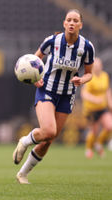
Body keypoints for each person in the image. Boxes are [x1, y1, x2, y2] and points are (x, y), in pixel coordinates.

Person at [12, 9, 95, 184]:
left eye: (75, 21)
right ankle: (25, 140)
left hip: (67, 95)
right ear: (64, 23)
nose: (72, 23)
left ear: (80, 24)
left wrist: (82, 79)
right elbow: (33, 61)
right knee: (49, 130)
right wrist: (35, 80)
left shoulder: (86, 47)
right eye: (69, 20)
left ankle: (23, 174)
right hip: (47, 90)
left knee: (49, 139)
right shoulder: (52, 41)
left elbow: (89, 73)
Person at [81, 57, 112, 159]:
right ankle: (89, 149)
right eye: (96, 66)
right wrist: (95, 99)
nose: (98, 67)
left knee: (109, 126)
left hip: (102, 108)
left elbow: (107, 90)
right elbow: (84, 94)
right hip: (91, 109)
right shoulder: (89, 77)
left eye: (99, 65)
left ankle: (98, 143)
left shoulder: (105, 76)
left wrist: (110, 103)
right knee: (94, 131)